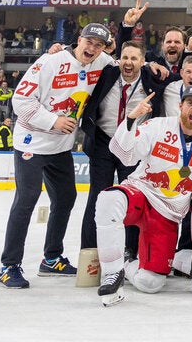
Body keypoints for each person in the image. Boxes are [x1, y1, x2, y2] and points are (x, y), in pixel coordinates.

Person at [0, 23, 114, 289]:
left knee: (65, 198)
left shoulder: (102, 62)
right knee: (26, 200)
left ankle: (51, 258)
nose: (92, 48)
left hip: (60, 146)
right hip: (32, 142)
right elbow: (20, 101)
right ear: (79, 40)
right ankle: (8, 265)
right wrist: (53, 121)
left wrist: (156, 67)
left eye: (98, 45)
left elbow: (126, 64)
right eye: (89, 42)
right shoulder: (50, 61)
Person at [94, 85, 192, 305]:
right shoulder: (156, 126)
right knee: (108, 200)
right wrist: (130, 120)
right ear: (180, 105)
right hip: (142, 193)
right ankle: (112, 272)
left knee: (151, 283)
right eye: (190, 103)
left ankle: (129, 262)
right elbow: (125, 155)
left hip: (168, 213)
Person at [79, 40, 165, 251]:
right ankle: (89, 251)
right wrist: (60, 48)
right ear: (119, 59)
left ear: (143, 62)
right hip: (103, 143)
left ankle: (130, 252)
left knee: (132, 200)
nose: (128, 62)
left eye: (134, 58)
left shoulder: (151, 78)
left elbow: (179, 72)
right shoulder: (107, 73)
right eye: (125, 57)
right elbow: (84, 54)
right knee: (97, 198)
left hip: (133, 147)